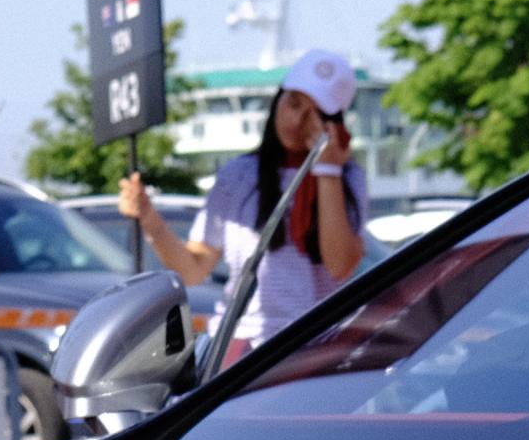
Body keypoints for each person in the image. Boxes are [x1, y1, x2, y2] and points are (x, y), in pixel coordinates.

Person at [122, 50, 371, 359]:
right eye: (293, 103)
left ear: (332, 124)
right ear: (277, 100)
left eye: (314, 113)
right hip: (244, 346)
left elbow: (340, 265)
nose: (297, 120)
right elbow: (195, 269)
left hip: (318, 343)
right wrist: (149, 219)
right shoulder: (239, 175)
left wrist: (327, 170)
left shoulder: (348, 178)